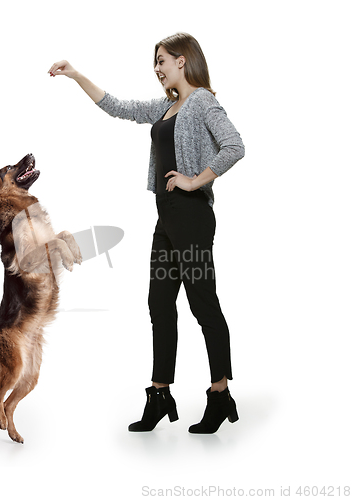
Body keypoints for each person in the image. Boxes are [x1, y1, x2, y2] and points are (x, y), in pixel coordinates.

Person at [48, 32, 245, 434]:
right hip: (166, 216)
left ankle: (220, 394)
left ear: (183, 61)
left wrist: (195, 181)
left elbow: (235, 146)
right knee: (159, 304)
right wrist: (76, 75)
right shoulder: (168, 106)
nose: (157, 69)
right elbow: (119, 107)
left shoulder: (203, 102)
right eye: (154, 63)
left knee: (202, 304)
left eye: (162, 61)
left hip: (191, 217)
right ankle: (160, 393)